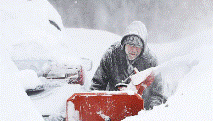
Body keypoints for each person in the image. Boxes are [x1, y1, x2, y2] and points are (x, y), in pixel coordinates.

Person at [90, 21, 166, 110]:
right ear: (124, 44)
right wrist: (96, 107)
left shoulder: (150, 61)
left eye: (138, 46)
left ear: (143, 48)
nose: (133, 49)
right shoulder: (111, 55)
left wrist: (150, 112)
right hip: (112, 108)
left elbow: (157, 93)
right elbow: (97, 85)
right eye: (130, 45)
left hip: (140, 110)